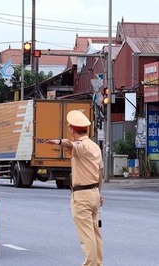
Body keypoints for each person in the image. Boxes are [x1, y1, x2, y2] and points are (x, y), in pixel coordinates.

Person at [46, 110, 103, 266]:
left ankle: (90, 264)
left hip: (82, 196)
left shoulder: (81, 146)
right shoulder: (95, 146)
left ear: (72, 129)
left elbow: (70, 144)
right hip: (94, 194)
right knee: (95, 231)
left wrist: (58, 142)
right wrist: (100, 193)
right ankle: (98, 263)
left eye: (70, 128)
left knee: (86, 235)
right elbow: (100, 172)